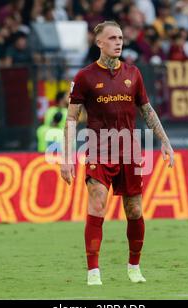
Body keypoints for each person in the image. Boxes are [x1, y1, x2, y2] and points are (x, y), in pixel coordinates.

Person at [61, 21, 174, 286]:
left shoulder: (133, 73)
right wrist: (66, 157)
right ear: (99, 42)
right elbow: (71, 119)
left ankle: (134, 266)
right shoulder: (84, 77)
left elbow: (147, 110)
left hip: (130, 150)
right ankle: (93, 272)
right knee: (97, 202)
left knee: (134, 210)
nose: (118, 42)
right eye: (112, 38)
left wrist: (165, 141)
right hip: (99, 149)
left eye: (121, 37)